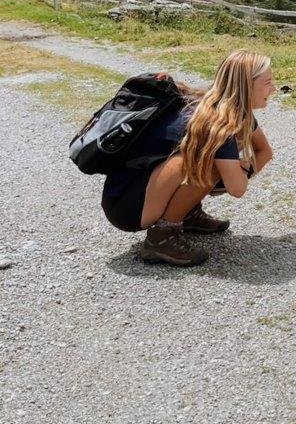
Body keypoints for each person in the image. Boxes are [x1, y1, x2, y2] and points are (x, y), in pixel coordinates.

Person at [100, 50, 275, 266]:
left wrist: (239, 165)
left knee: (217, 163)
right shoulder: (218, 123)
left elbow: (265, 151)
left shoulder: (224, 107)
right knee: (208, 162)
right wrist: (242, 165)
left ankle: (186, 212)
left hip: (136, 190)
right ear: (247, 85)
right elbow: (237, 188)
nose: (273, 89)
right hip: (126, 206)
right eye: (267, 82)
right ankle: (161, 238)